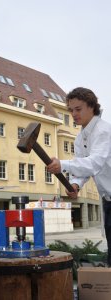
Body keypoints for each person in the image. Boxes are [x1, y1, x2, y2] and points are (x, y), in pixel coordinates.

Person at [47, 87, 111, 265]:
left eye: (78, 109)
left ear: (91, 107)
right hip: (108, 201)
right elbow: (84, 170)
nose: (73, 114)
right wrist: (75, 184)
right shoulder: (80, 138)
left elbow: (94, 163)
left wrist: (63, 164)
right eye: (71, 110)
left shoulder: (103, 131)